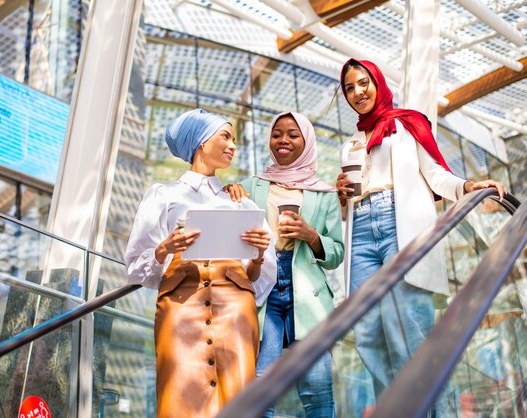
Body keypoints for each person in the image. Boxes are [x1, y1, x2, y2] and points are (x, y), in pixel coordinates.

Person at [335, 58, 506, 414]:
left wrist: (467, 186)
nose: (357, 92)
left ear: (377, 82)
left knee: (407, 331)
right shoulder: (350, 143)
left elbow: (435, 175)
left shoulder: (406, 123)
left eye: (363, 82)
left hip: (398, 223)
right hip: (362, 230)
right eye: (349, 87)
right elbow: (351, 197)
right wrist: (342, 198)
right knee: (368, 335)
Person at [124, 108, 276, 418]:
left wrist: (258, 255)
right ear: (200, 142)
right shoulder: (163, 196)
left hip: (236, 311)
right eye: (225, 136)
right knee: (179, 397)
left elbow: (259, 279)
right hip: (180, 308)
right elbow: (137, 269)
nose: (233, 145)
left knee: (238, 398)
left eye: (235, 139)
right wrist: (165, 248)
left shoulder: (242, 202)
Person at [227, 111, 344, 417]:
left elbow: (336, 253)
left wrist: (311, 235)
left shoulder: (325, 194)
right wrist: (228, 192)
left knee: (317, 391)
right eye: (277, 133)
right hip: (263, 287)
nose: (283, 140)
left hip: (308, 294)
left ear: (306, 141)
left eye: (293, 135)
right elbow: (226, 219)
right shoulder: (251, 185)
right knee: (260, 390)